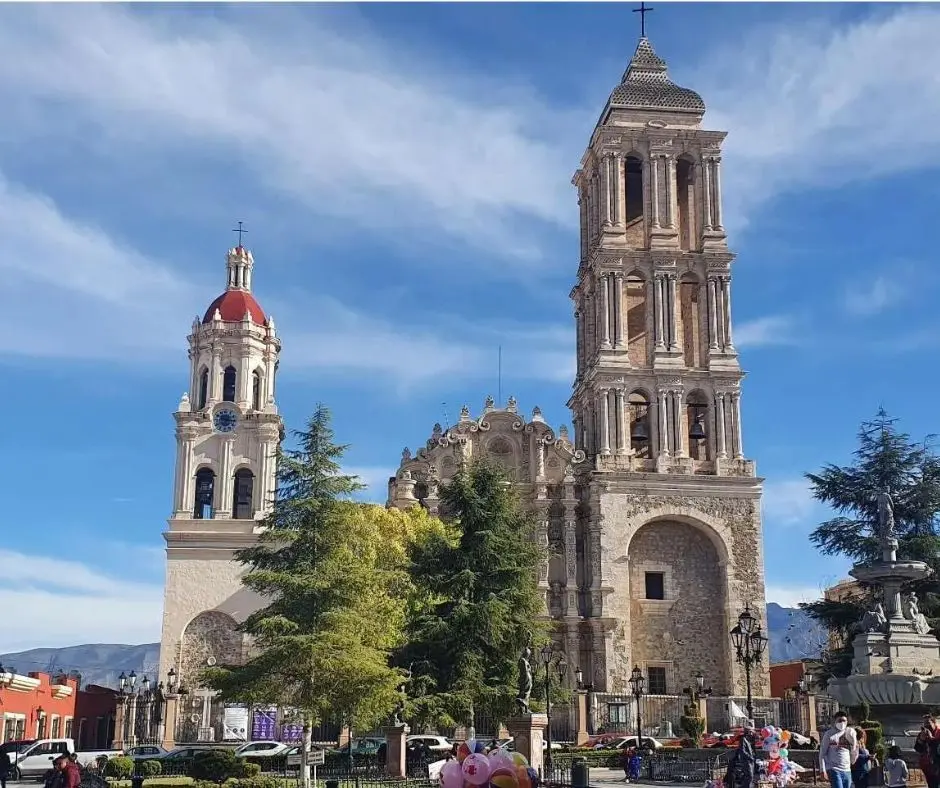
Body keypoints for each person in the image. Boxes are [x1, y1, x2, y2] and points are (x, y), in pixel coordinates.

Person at [819, 711, 859, 788]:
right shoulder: (829, 734)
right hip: (834, 769)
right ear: (835, 721)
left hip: (847, 770)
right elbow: (822, 753)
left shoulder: (849, 733)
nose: (842, 723)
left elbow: (854, 750)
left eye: (844, 721)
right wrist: (822, 770)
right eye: (840, 720)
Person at [915, 715, 940, 788]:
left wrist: (931, 738)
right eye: (924, 724)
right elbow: (918, 749)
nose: (926, 726)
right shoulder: (922, 734)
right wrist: (921, 740)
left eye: (928, 723)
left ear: (934, 723)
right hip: (927, 766)